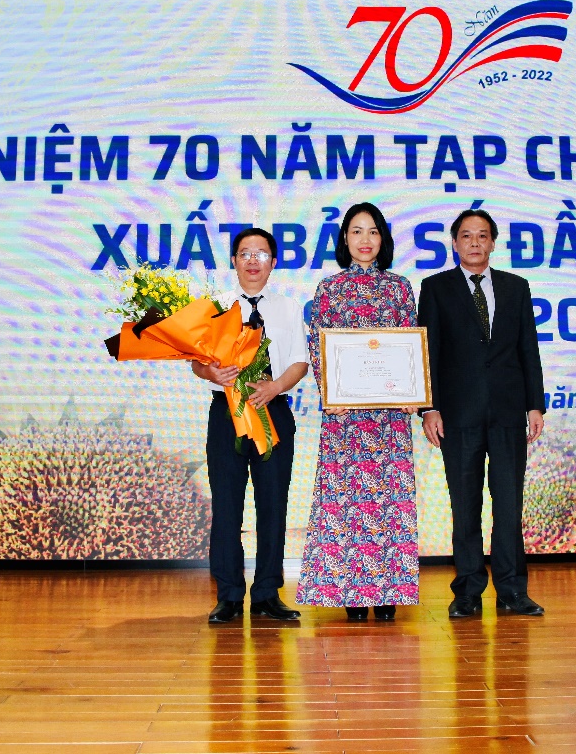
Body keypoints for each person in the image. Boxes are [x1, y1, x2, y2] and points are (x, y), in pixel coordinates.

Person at [418, 208, 546, 618]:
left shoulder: (515, 287)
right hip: (457, 414)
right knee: (465, 505)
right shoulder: (435, 288)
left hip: (508, 411)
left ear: (493, 242)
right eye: (467, 235)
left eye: (482, 235)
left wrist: (535, 404)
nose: (475, 242)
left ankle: (512, 590)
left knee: (508, 505)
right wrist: (429, 408)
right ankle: (468, 591)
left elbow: (528, 347)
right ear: (455, 242)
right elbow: (428, 351)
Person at [296, 203, 419, 621]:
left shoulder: (400, 288)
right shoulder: (329, 289)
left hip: (390, 415)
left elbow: (411, 344)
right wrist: (333, 391)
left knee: (389, 501)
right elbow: (318, 346)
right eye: (356, 231)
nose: (365, 240)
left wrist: (413, 391)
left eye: (373, 232)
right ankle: (349, 592)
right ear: (344, 239)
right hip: (345, 416)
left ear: (383, 239)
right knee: (345, 501)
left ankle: (387, 593)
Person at [194, 227, 309, 624]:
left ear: (273, 262)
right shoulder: (215, 306)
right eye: (245, 253)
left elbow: (300, 361)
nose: (253, 260)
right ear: (234, 260)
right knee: (227, 507)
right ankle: (228, 595)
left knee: (273, 506)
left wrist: (275, 387)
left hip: (272, 411)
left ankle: (266, 594)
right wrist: (212, 372)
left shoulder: (288, 308)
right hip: (227, 414)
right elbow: (196, 362)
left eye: (261, 254)